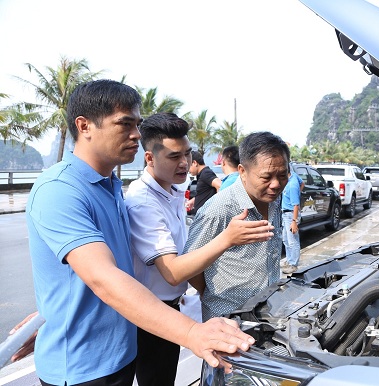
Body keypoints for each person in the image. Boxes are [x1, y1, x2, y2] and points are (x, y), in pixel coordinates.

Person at [25, 79, 254, 386]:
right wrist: (191, 332)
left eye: (138, 124)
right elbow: (102, 277)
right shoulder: (60, 190)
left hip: (120, 350)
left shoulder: (110, 187)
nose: (136, 134)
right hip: (82, 365)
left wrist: (49, 313)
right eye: (125, 124)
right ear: (85, 126)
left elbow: (113, 268)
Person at [124, 113, 274, 385]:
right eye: (173, 157)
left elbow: (187, 253)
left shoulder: (170, 189)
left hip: (173, 306)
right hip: (150, 313)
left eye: (187, 154)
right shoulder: (143, 202)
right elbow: (171, 272)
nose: (184, 163)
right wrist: (227, 238)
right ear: (149, 158)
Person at [184, 131, 290, 321]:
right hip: (228, 316)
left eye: (282, 175)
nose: (275, 184)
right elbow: (191, 267)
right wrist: (213, 295)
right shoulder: (219, 208)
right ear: (242, 172)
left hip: (269, 311)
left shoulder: (274, 199)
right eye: (266, 177)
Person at [281, 170, 304, 274]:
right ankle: (289, 260)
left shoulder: (292, 186)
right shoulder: (294, 175)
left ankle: (293, 264)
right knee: (285, 239)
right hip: (285, 214)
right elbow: (302, 183)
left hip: (290, 214)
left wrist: (294, 221)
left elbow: (295, 205)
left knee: (292, 241)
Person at [187, 150, 221, 215]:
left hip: (207, 216)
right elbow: (205, 193)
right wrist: (194, 200)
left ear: (194, 163)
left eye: (188, 166)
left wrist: (216, 207)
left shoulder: (206, 173)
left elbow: (220, 186)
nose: (187, 169)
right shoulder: (201, 174)